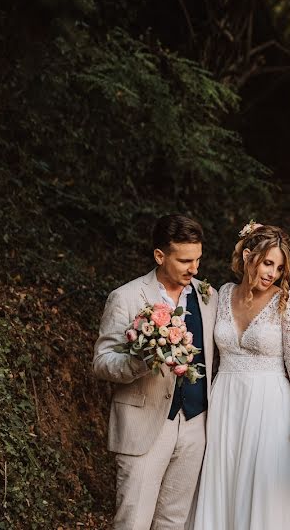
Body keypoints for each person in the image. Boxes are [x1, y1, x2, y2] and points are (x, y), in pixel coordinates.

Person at [190, 222, 290, 530]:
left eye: (279, 267)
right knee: (223, 481)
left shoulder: (288, 301)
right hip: (225, 402)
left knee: (261, 490)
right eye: (267, 263)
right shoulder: (222, 294)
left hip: (268, 406)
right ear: (248, 257)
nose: (273, 273)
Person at [93, 214, 217, 530]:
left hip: (195, 425)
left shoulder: (208, 296)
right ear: (160, 256)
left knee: (174, 521)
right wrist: (141, 359)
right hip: (144, 423)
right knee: (132, 522)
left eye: (198, 259)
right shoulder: (127, 297)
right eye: (185, 260)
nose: (194, 269)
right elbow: (103, 362)